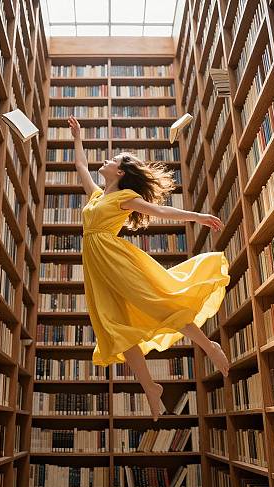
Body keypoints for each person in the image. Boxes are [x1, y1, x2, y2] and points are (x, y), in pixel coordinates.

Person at [68, 115, 230, 421]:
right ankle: (150, 388)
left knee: (159, 304)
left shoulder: (125, 197)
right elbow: (79, 168)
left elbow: (158, 210)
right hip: (97, 268)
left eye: (113, 158)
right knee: (114, 326)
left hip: (116, 261)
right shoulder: (97, 196)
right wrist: (78, 138)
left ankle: (208, 346)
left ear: (120, 171)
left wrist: (197, 217)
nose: (107, 158)